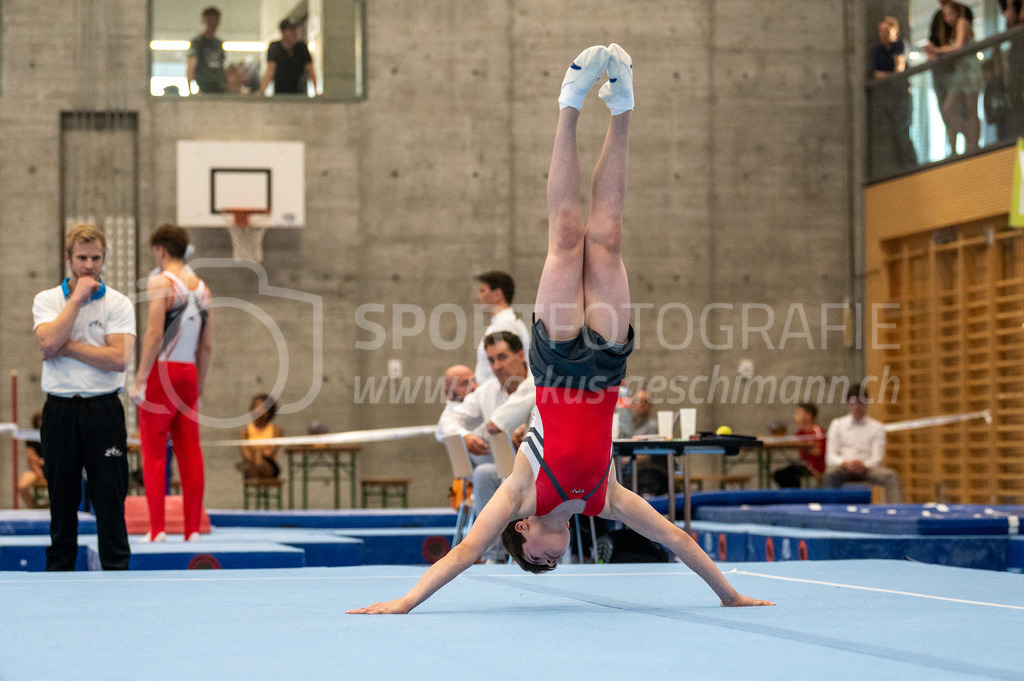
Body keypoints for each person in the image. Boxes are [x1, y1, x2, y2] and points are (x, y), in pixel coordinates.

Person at [349, 45, 773, 614]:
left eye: (543, 559)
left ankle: (569, 106)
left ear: (524, 532)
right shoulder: (605, 499)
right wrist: (731, 596)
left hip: (552, 362)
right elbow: (677, 539)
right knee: (611, 236)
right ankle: (621, 107)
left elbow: (467, 551)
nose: (556, 558)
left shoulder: (521, 491)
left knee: (568, 236)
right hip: (606, 366)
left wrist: (404, 601)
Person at [33, 223, 136, 571]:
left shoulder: (118, 303)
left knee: (109, 495)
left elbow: (119, 359)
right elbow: (47, 343)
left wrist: (66, 346)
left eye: (95, 258)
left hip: (103, 409)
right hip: (60, 409)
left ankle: (116, 566)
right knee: (61, 496)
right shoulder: (47, 300)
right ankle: (60, 568)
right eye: (81, 258)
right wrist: (76, 299)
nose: (89, 265)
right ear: (68, 259)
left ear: (104, 259)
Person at [130, 224, 212, 542]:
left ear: (161, 251)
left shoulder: (160, 282)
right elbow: (206, 346)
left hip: (161, 373)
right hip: (189, 374)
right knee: (190, 451)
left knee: (153, 451)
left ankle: (158, 529)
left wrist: (139, 379)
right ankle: (192, 530)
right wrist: (200, 389)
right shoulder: (204, 288)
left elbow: (153, 333)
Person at [442, 332, 536, 562]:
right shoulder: (486, 392)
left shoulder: (539, 384)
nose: (496, 366)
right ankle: (493, 555)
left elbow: (497, 424)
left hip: (542, 473)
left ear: (521, 355)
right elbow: (446, 422)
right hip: (507, 471)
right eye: (491, 360)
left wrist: (526, 432)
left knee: (506, 477)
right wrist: (464, 435)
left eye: (502, 357)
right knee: (484, 473)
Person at [824, 384, 902, 502]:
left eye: (860, 403)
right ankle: (829, 512)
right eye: (853, 403)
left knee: (890, 476)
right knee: (830, 474)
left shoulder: (877, 427)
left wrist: (863, 465)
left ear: (866, 403)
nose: (857, 407)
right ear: (847, 404)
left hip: (867, 469)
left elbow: (877, 458)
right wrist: (845, 463)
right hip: (844, 467)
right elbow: (830, 457)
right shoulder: (837, 424)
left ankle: (896, 512)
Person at [925, 1, 980, 154]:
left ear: (955, 12)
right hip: (960, 71)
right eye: (945, 15)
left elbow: (958, 46)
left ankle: (973, 146)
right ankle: (970, 138)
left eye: (949, 14)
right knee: (948, 108)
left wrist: (937, 50)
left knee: (971, 108)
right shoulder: (951, 28)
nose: (947, 18)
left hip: (969, 69)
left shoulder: (962, 22)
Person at [870, 16, 917, 170]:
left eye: (886, 30)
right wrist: (892, 76)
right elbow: (877, 74)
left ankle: (911, 165)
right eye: (881, 31)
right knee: (892, 135)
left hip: (902, 97)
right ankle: (900, 167)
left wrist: (889, 75)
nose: (883, 34)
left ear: (895, 32)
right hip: (887, 99)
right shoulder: (877, 51)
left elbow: (899, 70)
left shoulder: (900, 46)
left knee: (903, 132)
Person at [474, 271, 530, 385]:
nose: (478, 297)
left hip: (499, 395)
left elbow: (507, 369)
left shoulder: (505, 325)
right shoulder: (503, 323)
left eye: (482, 291)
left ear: (497, 294)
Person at [772, 403, 826, 488]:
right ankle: (792, 498)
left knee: (788, 475)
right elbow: (793, 441)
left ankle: (795, 498)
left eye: (798, 414)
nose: (795, 417)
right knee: (779, 475)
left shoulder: (817, 431)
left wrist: (806, 446)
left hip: (815, 468)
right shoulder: (800, 432)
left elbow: (818, 452)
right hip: (803, 465)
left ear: (808, 415)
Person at [259, 19, 317, 96]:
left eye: (295, 30)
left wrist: (316, 91)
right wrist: (262, 91)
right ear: (283, 32)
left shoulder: (301, 48)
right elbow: (270, 70)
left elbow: (310, 70)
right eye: (291, 31)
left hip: (300, 93)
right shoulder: (275, 47)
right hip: (280, 94)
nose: (295, 33)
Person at [238, 394, 282, 478]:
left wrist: (259, 456)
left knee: (263, 466)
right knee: (252, 465)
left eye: (262, 407)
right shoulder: (245, 431)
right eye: (256, 407)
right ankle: (256, 470)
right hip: (251, 463)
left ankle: (258, 469)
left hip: (269, 463)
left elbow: (272, 451)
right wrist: (255, 459)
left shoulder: (276, 430)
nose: (258, 411)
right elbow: (244, 451)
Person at [186, 6, 227, 94]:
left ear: (219, 23)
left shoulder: (219, 43)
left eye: (215, 21)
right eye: (209, 21)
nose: (212, 24)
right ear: (203, 21)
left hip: (219, 87)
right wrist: (190, 91)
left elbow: (222, 67)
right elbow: (191, 66)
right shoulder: (197, 43)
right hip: (203, 88)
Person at [434, 364, 477, 443]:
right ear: (448, 393)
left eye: (474, 380)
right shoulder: (448, 418)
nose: (473, 387)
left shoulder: (484, 400)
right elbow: (447, 428)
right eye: (464, 384)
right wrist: (466, 437)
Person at [18, 411, 46, 508]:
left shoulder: (54, 434)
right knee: (22, 486)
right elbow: (32, 458)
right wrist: (39, 474)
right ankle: (32, 508)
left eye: (42, 420)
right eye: (38, 421)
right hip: (36, 469)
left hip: (53, 469)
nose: (40, 423)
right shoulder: (31, 437)